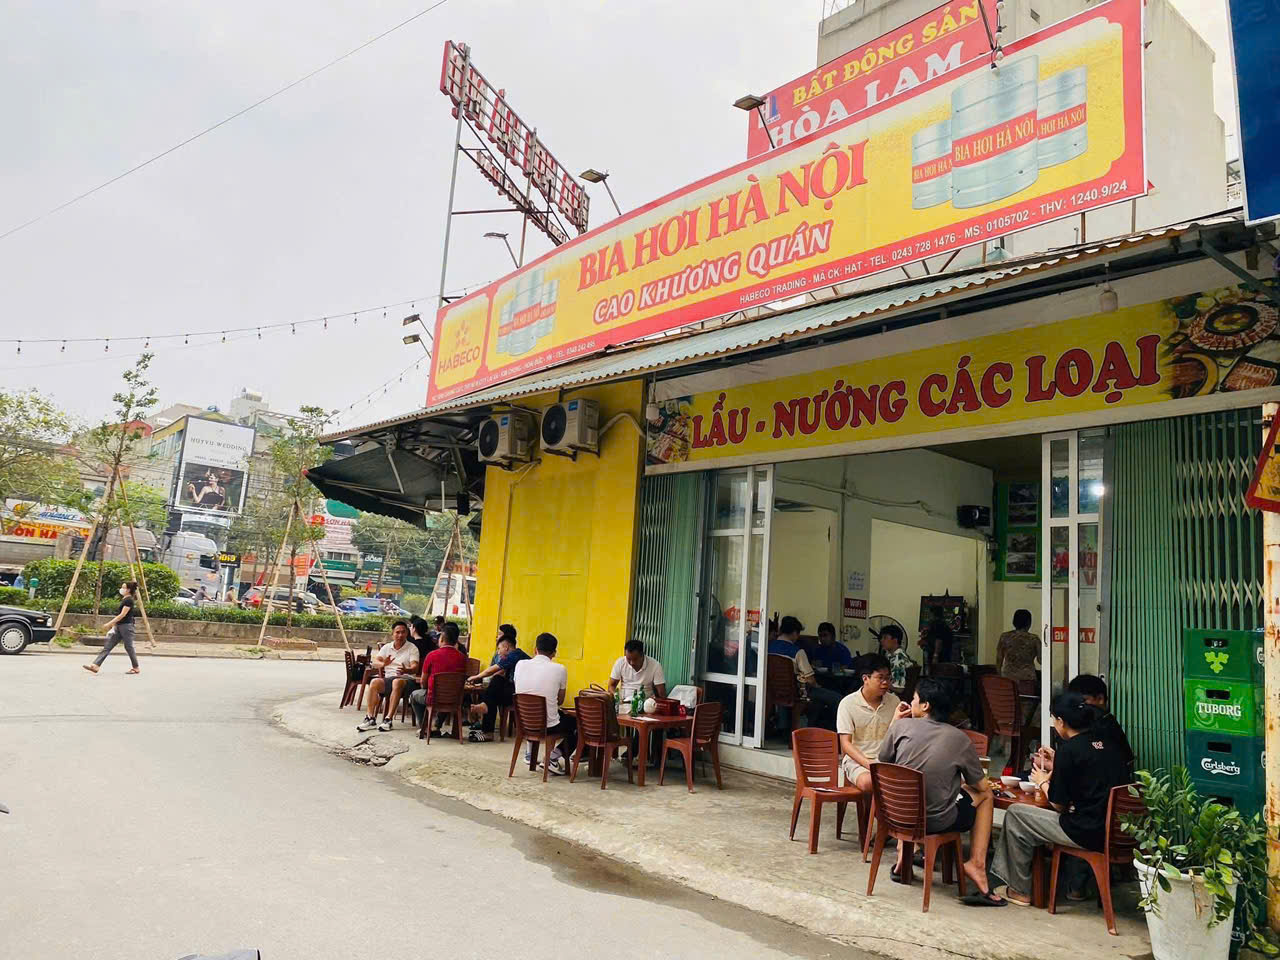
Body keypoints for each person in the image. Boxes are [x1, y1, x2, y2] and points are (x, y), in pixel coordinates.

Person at [990, 691, 1132, 906]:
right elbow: (1090, 774)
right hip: (1118, 832)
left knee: (1016, 814)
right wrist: (1058, 763)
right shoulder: (1107, 743)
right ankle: (1072, 886)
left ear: (1061, 721)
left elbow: (1059, 805)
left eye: (1054, 720)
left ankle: (1019, 890)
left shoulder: (1070, 750)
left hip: (1088, 832)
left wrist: (1042, 782)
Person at [878, 677, 1003, 905]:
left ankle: (904, 855)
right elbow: (982, 786)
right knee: (986, 796)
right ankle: (977, 864)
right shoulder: (959, 739)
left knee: (920, 791)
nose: (911, 703)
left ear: (925, 705)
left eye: (914, 699)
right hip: (934, 822)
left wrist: (895, 721)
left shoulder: (900, 727)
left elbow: (883, 761)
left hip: (894, 816)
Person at [835, 653, 902, 791]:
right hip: (858, 761)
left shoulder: (894, 701)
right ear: (865, 678)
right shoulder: (848, 704)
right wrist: (868, 764)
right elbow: (845, 744)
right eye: (880, 678)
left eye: (888, 678)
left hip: (887, 761)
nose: (885, 683)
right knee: (869, 782)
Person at [513, 632, 577, 776]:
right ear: (554, 653)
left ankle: (535, 754)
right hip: (548, 726)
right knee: (579, 725)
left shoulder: (520, 664)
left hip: (523, 722)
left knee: (556, 716)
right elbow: (560, 700)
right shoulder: (560, 669)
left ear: (535, 649)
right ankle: (552, 758)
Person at [770, 615, 840, 728]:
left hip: (773, 690)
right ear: (794, 632)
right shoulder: (797, 651)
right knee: (836, 698)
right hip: (797, 692)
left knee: (817, 703)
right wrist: (818, 686)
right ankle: (833, 732)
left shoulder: (768, 647)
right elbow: (810, 680)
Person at [466, 625, 528, 742]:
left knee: (495, 686)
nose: (498, 652)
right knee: (494, 691)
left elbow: (494, 669)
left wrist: (476, 676)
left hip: (522, 695)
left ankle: (487, 729)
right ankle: (487, 730)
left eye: (499, 648)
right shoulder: (512, 655)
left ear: (507, 647)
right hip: (514, 691)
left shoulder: (515, 655)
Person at [356, 620, 419, 733]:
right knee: (374, 682)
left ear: (407, 633)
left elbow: (415, 667)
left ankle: (388, 719)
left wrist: (407, 670)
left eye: (403, 632)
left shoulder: (412, 648)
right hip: (389, 679)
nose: (400, 635)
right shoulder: (387, 647)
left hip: (406, 680)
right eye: (397, 632)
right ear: (392, 634)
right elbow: (375, 662)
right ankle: (370, 718)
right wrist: (383, 664)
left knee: (397, 682)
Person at [410, 621, 468, 733]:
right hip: (455, 698)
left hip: (434, 697)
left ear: (441, 639)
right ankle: (437, 726)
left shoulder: (432, 655)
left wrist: (426, 688)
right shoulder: (463, 658)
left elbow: (423, 682)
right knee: (447, 696)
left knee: (414, 696)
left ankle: (425, 727)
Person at [83, 580, 141, 675]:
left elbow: (122, 615)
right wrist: (114, 625)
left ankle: (136, 667)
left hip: (126, 627)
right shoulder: (125, 599)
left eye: (123, 587)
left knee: (129, 647)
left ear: (128, 590)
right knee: (108, 646)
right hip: (120, 626)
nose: (121, 589)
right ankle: (96, 665)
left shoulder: (129, 600)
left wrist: (109, 623)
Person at [996, 609, 1039, 694]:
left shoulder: (1004, 637)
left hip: (1008, 678)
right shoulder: (1034, 639)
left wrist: (999, 676)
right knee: (1026, 701)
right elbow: (1041, 660)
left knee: (1008, 701)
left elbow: (999, 658)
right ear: (1029, 623)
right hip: (1027, 678)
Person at [879, 623, 916, 692]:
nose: (881, 640)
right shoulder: (891, 655)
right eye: (882, 638)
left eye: (885, 638)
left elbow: (899, 689)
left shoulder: (898, 659)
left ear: (895, 640)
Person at [919, 606, 954, 672]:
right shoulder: (944, 625)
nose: (929, 617)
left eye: (930, 614)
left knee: (936, 673)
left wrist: (935, 655)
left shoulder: (937, 624)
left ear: (934, 614)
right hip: (943, 656)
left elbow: (939, 640)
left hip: (939, 656)